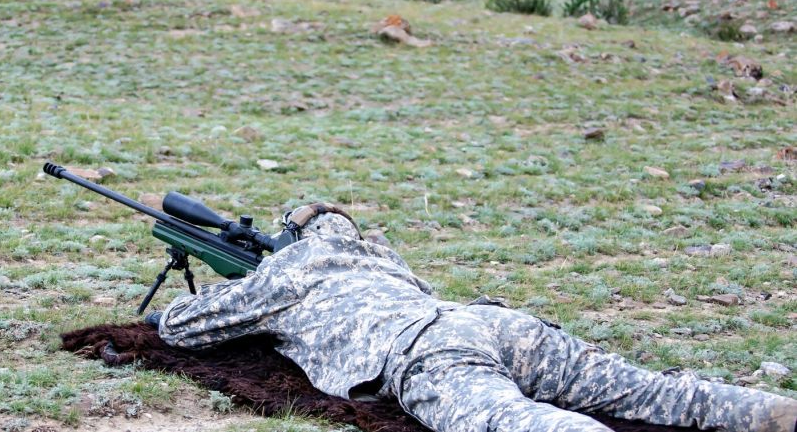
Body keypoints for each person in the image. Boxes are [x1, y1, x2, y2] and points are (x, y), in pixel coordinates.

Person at [151, 204, 797, 432]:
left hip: (426, 350)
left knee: (500, 419)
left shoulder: (288, 274)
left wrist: (242, 283)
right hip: (495, 323)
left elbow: (182, 329)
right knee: (647, 390)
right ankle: (758, 407)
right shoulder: (382, 256)